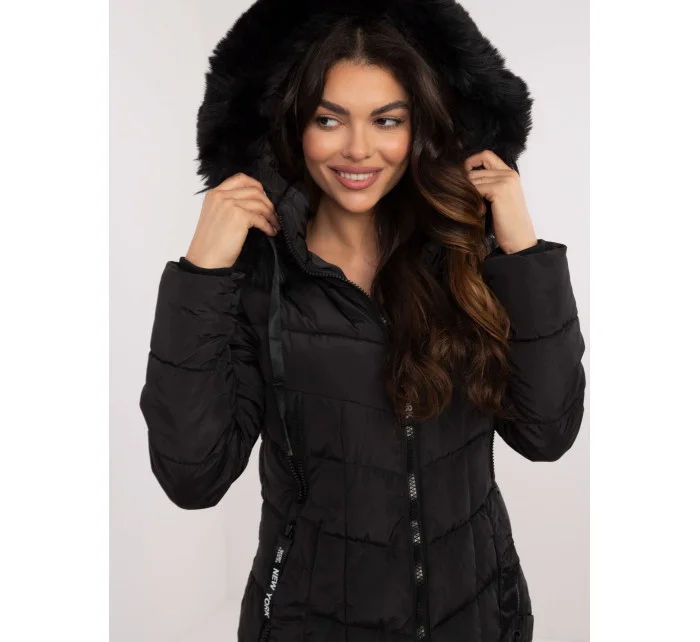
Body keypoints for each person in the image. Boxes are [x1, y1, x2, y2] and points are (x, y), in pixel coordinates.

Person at [139, 2, 586, 641]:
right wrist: (202, 273)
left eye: (386, 120)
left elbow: (547, 432)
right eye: (329, 119)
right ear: (294, 125)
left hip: (479, 616)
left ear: (420, 127)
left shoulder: (466, 257)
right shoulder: (260, 281)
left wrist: (521, 247)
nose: (358, 148)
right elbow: (192, 476)